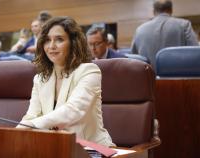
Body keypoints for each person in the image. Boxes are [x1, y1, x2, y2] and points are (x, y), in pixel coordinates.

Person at [17, 16, 115, 147]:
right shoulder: (40, 79)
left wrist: (33, 124)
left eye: (59, 39)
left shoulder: (89, 71)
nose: (51, 46)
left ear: (73, 43)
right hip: (56, 148)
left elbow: (73, 111)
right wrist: (15, 134)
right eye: (47, 40)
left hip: (91, 149)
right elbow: (31, 116)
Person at [131, 0, 198, 70]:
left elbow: (133, 58)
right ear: (171, 10)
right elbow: (195, 53)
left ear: (153, 11)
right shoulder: (184, 25)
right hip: (176, 78)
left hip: (146, 78)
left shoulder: (140, 29)